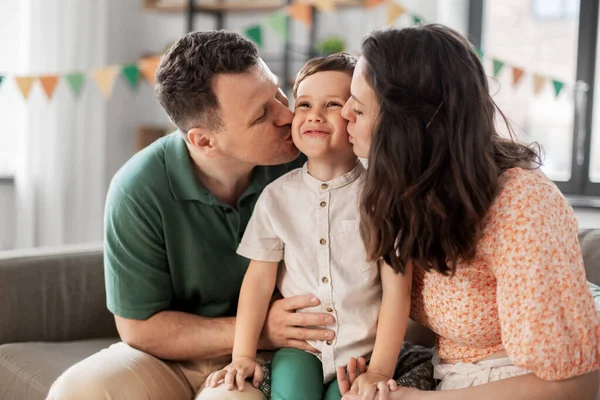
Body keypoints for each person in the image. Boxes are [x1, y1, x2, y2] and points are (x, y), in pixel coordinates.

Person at [46, 30, 339, 400]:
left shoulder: (312, 160)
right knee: (75, 391)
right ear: (203, 141)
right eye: (262, 114)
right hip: (172, 357)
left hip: (272, 358)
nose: (287, 114)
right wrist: (260, 328)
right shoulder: (138, 189)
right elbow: (139, 328)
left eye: (279, 92)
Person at [337, 24, 600, 400]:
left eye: (358, 108)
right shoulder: (407, 187)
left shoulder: (522, 203)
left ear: (410, 128)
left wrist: (418, 399)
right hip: (453, 375)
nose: (344, 113)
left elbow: (578, 386)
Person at [203, 53, 413, 400]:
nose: (315, 114)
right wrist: (242, 355)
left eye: (333, 104)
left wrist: (379, 369)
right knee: (292, 394)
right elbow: (258, 281)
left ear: (356, 116)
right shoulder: (275, 198)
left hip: (363, 353)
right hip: (302, 350)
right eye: (303, 104)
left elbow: (397, 291)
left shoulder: (384, 197)